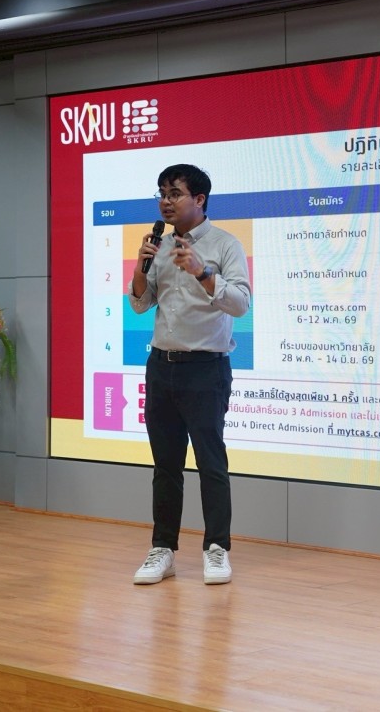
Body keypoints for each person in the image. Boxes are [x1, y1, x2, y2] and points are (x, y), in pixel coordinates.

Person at [128, 164, 251, 585]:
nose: (165, 201)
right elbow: (140, 305)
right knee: (165, 466)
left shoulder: (225, 244)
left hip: (206, 369)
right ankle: (163, 549)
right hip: (161, 367)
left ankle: (217, 548)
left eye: (175, 193)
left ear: (199, 199)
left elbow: (240, 305)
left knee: (211, 463)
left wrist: (202, 271)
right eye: (161, 193)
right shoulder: (158, 245)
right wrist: (140, 267)